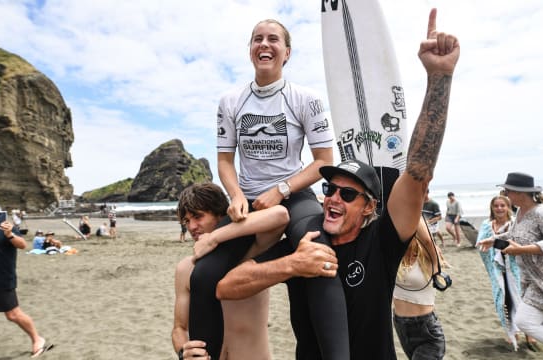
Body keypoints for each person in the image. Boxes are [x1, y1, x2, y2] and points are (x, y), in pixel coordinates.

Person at [217, 9, 460, 358]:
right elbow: (228, 285)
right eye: (329, 189)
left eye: (348, 194)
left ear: (369, 208)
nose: (333, 199)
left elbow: (418, 172)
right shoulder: (306, 242)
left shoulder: (381, 242)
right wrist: (291, 265)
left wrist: (440, 78)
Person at [196, 17, 344, 359]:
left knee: (319, 255)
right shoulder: (230, 101)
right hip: (247, 200)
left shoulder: (305, 99)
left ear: (287, 52)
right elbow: (224, 161)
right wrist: (235, 196)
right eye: (257, 39)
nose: (264, 44)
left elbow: (324, 161)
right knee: (204, 274)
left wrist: (282, 189)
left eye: (273, 39)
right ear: (250, 51)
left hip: (295, 195)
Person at [171, 182, 290, 360]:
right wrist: (183, 352)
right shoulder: (185, 268)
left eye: (198, 217)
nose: (191, 226)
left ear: (221, 216)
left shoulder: (252, 253)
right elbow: (179, 328)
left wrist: (214, 237)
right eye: (187, 221)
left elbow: (280, 215)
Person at [478, 173, 543, 358]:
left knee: (524, 321)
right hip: (530, 279)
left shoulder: (542, 213)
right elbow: (513, 234)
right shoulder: (521, 212)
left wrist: (522, 250)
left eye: (507, 191)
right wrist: (493, 239)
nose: (505, 194)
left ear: (520, 193)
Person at [0, 205, 51, 358]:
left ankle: (37, 339)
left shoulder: (7, 231)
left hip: (2, 281)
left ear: (0, 216)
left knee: (13, 315)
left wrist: (9, 234)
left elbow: (22, 245)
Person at [476, 194, 537, 351]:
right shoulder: (486, 225)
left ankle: (529, 334)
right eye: (496, 206)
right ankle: (511, 332)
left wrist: (497, 243)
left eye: (502, 205)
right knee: (502, 302)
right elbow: (480, 245)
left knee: (523, 301)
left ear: (509, 207)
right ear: (492, 208)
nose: (499, 208)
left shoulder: (515, 224)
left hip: (516, 269)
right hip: (498, 270)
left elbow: (521, 245)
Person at [393, 219, 447, 359]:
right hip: (401, 327)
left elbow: (416, 217)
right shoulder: (393, 252)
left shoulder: (428, 254)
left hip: (426, 330)